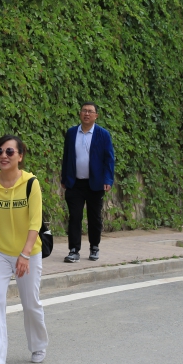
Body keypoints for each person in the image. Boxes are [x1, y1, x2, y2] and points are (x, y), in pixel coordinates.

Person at [0, 135, 49, 364]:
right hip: (0, 252)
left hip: (28, 252)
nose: (3, 156)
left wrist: (25, 255)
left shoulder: (30, 183)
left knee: (30, 303)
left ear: (20, 156)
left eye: (9, 152)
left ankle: (38, 345)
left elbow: (35, 222)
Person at [60, 101, 115, 263]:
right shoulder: (72, 133)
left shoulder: (103, 134)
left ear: (96, 116)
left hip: (95, 183)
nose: (87, 114)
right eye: (84, 110)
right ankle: (73, 250)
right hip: (75, 183)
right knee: (75, 216)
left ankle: (94, 247)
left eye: (90, 111)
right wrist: (64, 178)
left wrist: (107, 179)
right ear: (80, 113)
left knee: (94, 217)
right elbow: (66, 157)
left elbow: (109, 159)